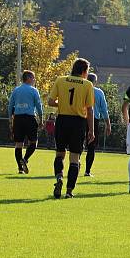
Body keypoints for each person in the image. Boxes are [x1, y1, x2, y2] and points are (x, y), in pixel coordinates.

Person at [47, 58, 95, 199]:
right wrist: (91, 130)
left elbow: (50, 101)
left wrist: (61, 103)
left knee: (60, 154)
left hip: (62, 120)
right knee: (75, 158)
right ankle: (69, 191)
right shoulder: (87, 84)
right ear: (84, 71)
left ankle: (59, 178)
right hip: (78, 123)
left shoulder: (60, 80)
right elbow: (90, 109)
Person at [8, 70, 43, 174]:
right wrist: (41, 119)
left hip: (18, 119)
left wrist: (10, 120)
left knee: (18, 144)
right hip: (29, 119)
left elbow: (10, 106)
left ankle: (20, 168)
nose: (34, 80)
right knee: (33, 142)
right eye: (33, 78)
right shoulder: (33, 90)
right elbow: (39, 106)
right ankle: (25, 159)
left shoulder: (16, 90)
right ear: (28, 78)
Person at [84, 73, 112, 177]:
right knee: (91, 147)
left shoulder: (82, 89)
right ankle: (87, 171)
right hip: (94, 120)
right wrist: (108, 124)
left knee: (78, 144)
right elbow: (104, 110)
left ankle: (75, 165)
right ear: (95, 82)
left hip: (81, 118)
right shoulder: (99, 92)